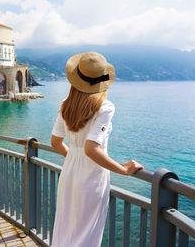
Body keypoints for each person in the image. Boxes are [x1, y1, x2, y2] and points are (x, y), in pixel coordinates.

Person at [51, 52, 143, 247]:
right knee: (87, 233)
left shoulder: (64, 106)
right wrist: (124, 170)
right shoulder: (105, 108)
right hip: (91, 177)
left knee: (66, 227)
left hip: (69, 173)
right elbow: (91, 149)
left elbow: (55, 143)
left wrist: (74, 158)